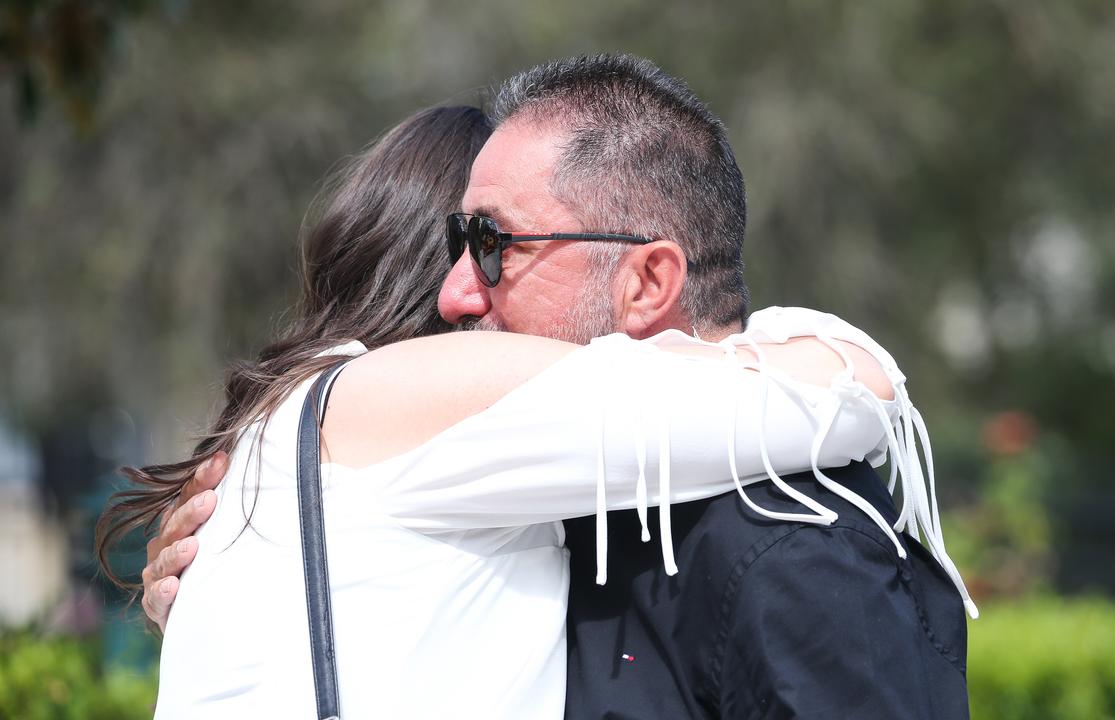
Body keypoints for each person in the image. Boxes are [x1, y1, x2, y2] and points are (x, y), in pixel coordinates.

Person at [140, 55, 975, 718]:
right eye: (456, 244)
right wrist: (851, 359)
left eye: (494, 243)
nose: (459, 294)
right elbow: (833, 394)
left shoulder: (778, 529)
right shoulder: (400, 408)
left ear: (648, 282)